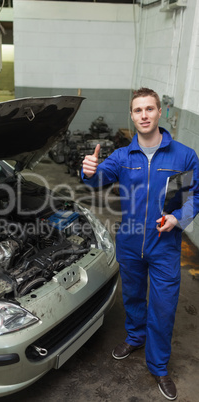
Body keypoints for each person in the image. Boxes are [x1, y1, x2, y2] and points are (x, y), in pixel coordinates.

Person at [81, 87, 199, 401]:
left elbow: (192, 198)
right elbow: (97, 179)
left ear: (160, 113)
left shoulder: (184, 156)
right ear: (131, 116)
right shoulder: (123, 156)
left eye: (149, 109)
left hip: (165, 243)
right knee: (132, 295)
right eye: (138, 110)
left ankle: (159, 366)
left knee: (163, 307)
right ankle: (135, 337)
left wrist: (178, 219)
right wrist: (88, 171)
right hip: (131, 240)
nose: (144, 115)